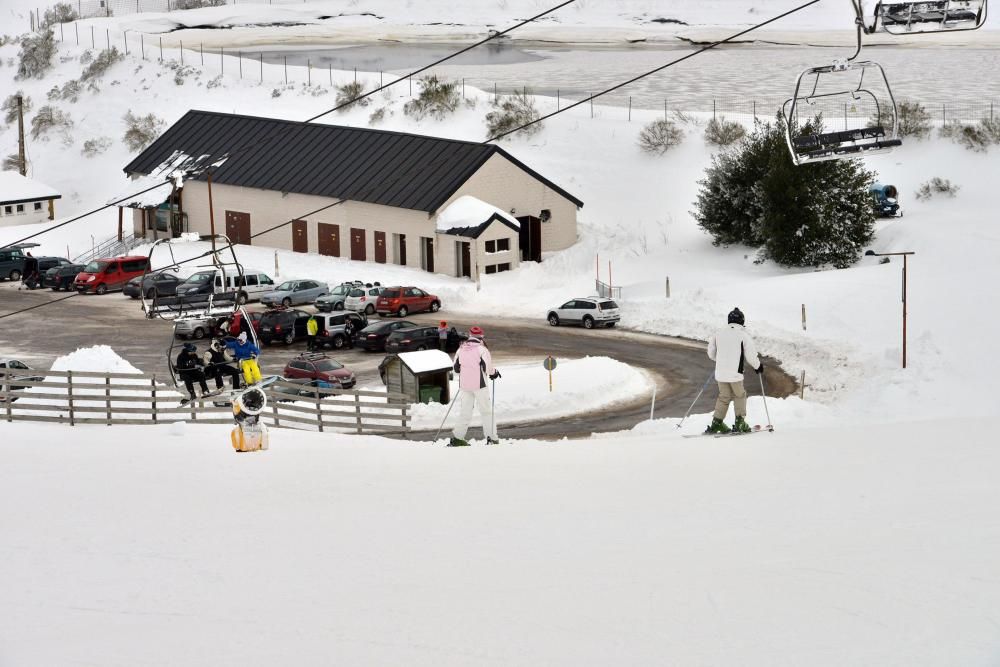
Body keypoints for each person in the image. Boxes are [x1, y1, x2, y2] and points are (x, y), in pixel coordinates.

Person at [705, 307, 763, 434]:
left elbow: (711, 353)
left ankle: (716, 423)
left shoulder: (718, 333)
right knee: (739, 395)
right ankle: (740, 422)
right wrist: (758, 366)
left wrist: (720, 360)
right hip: (735, 374)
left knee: (724, 396)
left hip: (720, 373)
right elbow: (751, 356)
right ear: (742, 321)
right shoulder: (743, 336)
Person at [449, 325, 501, 446]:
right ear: (481, 337)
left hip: (465, 386)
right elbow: (488, 369)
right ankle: (491, 437)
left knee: (465, 412)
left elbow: (456, 369)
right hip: (480, 386)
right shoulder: (482, 350)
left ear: (470, 335)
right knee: (486, 411)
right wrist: (495, 373)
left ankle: (458, 437)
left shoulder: (460, 349)